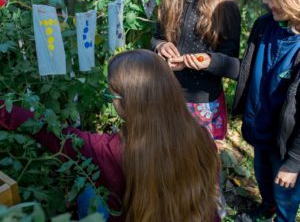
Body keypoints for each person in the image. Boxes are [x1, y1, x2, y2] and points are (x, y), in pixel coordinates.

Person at [0, 49, 220, 222]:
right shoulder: (200, 136)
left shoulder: (111, 151)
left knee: (88, 190)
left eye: (111, 94)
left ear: (127, 102)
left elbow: (48, 132)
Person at [151, 0, 241, 141]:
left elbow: (235, 66)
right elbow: (155, 37)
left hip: (206, 105)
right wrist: (160, 46)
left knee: (204, 164)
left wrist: (208, 61)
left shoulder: (226, 9)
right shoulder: (171, 1)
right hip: (170, 98)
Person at [232, 0, 300, 222]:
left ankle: (282, 215)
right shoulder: (265, 25)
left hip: (287, 146)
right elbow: (247, 68)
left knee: (286, 190)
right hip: (260, 129)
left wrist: (294, 162)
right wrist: (210, 63)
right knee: (262, 174)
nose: (264, 0)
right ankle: (267, 205)